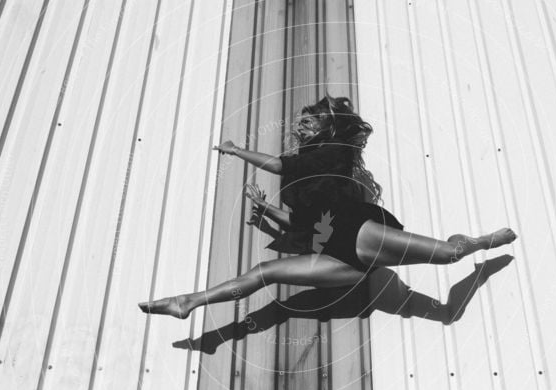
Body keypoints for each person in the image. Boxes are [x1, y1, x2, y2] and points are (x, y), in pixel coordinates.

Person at [139, 95, 516, 320]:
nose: (301, 127)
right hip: (340, 259)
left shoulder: (334, 153)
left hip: (358, 232)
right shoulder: (301, 174)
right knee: (264, 271)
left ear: (326, 127)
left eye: (309, 121)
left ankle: (479, 242)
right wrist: (267, 210)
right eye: (300, 123)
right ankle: (188, 302)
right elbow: (300, 224)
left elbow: (280, 165)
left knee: (450, 254)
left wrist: (237, 151)